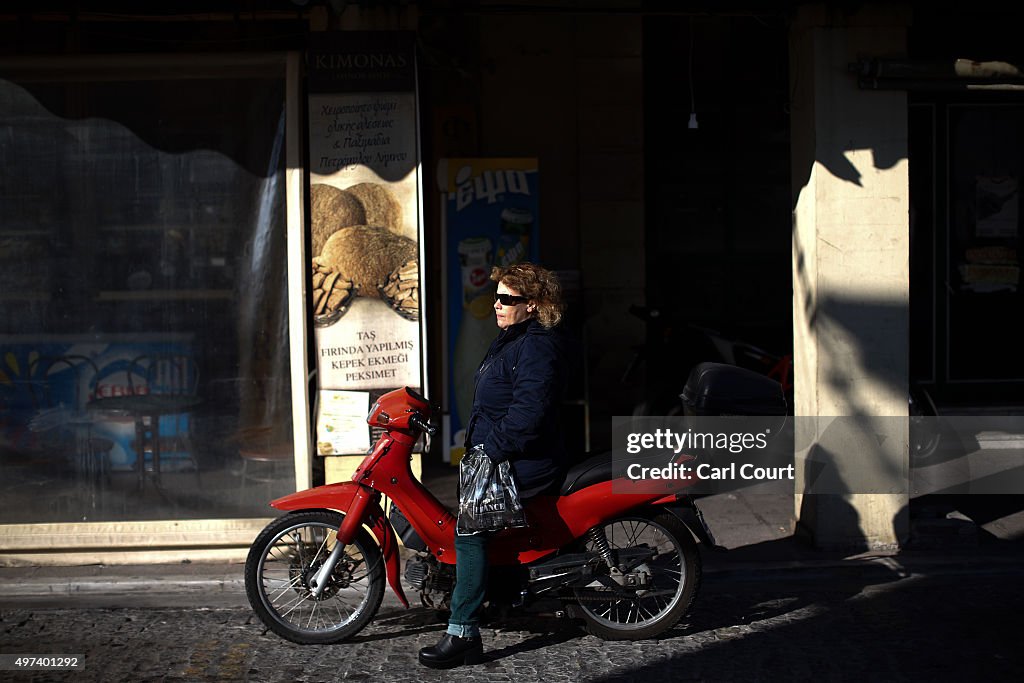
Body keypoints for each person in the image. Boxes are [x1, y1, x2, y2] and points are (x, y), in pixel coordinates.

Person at [418, 262, 569, 669]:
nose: (497, 305)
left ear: (534, 305)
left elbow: (529, 413)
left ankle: (463, 633)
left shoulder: (536, 346)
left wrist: (491, 450)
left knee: (469, 530)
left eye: (507, 299)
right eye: (495, 297)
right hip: (502, 451)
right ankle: (499, 592)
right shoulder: (511, 338)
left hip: (523, 458)